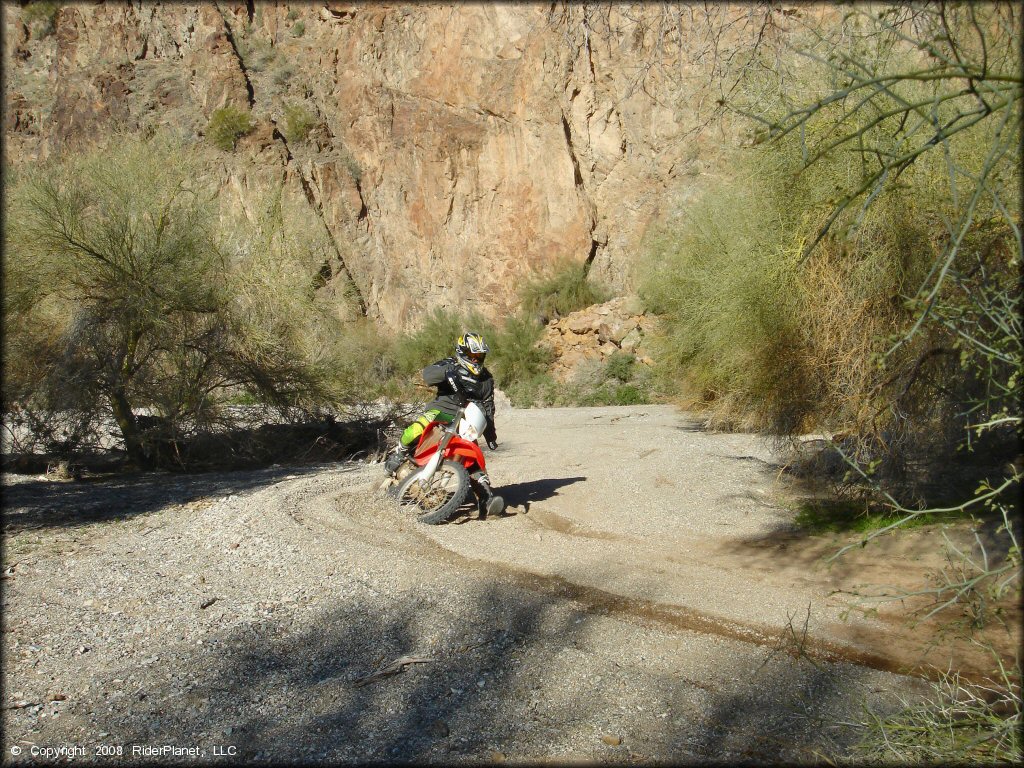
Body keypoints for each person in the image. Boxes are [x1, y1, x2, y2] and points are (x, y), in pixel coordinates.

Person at [384, 332, 502, 516]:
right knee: (419, 426)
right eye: (473, 356)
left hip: (466, 420)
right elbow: (428, 375)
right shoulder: (450, 364)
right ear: (462, 353)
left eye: (480, 356)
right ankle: (400, 451)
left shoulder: (486, 379)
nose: (476, 360)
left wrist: (491, 435)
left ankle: (486, 497)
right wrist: (446, 372)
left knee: (474, 457)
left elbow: (488, 408)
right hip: (441, 412)